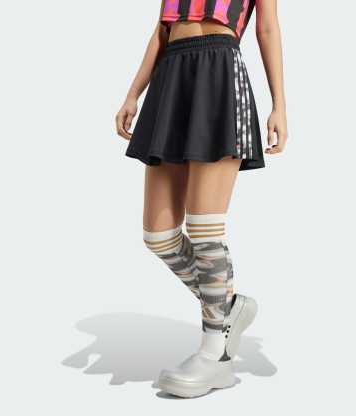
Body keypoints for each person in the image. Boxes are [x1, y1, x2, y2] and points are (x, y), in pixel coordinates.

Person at [116, 0, 288, 398]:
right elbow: (162, 30)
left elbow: (267, 28)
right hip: (171, 76)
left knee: (204, 228)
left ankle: (215, 354)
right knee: (159, 236)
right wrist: (133, 94)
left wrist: (279, 105)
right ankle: (229, 306)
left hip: (219, 71)